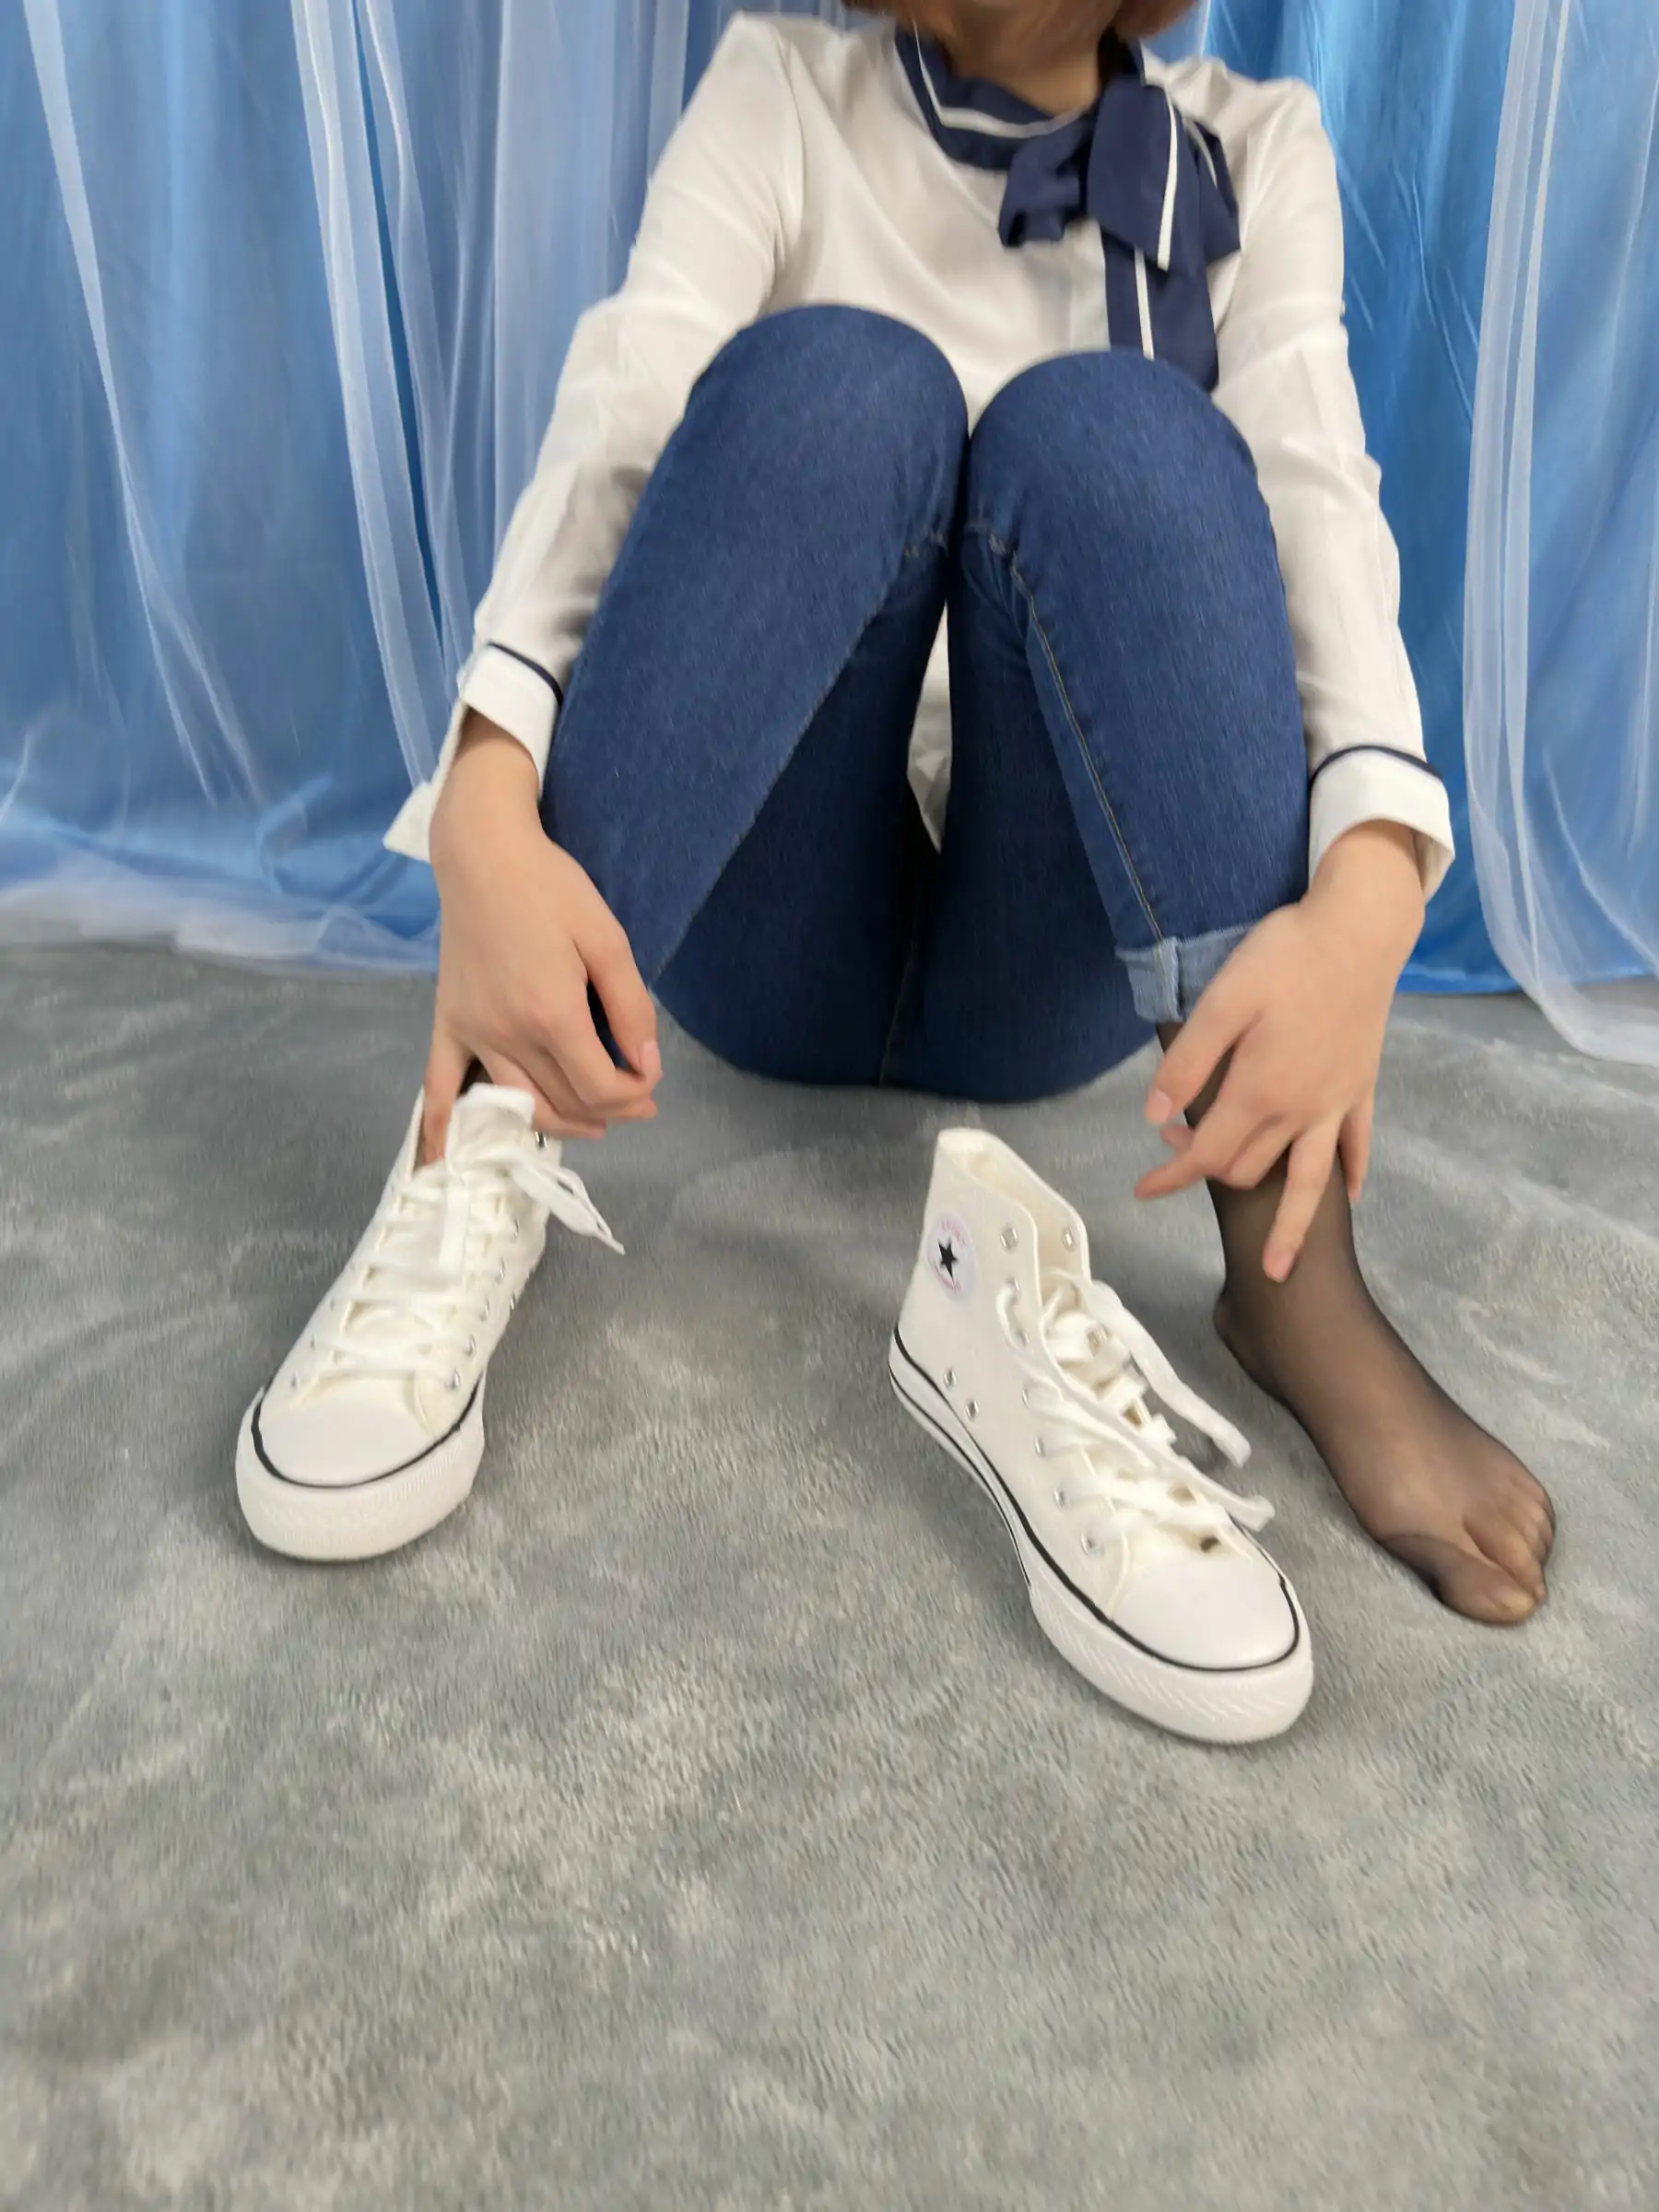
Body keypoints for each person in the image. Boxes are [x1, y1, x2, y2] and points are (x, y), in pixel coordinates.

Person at [236, 1, 1554, 1658]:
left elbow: (1314, 497)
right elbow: (624, 418)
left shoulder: (1253, 145)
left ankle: (1297, 1278)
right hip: (769, 916)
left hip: (1053, 953)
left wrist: (1372, 890)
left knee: (1127, 434)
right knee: (838, 386)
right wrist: (489, 792)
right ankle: (481, 1139)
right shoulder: (783, 86)